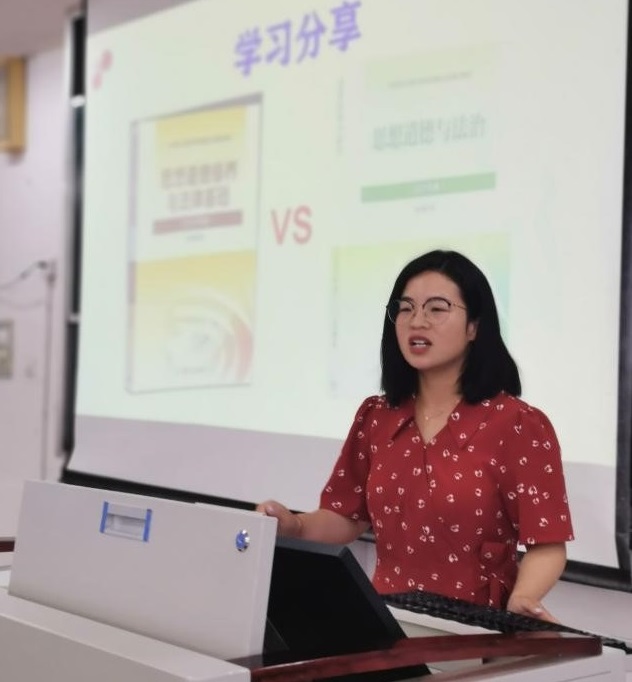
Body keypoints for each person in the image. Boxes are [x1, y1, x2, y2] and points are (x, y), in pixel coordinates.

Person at [259, 250, 574, 621]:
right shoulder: (376, 416)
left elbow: (547, 543)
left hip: (477, 631)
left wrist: (522, 599)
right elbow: (345, 517)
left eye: (437, 309)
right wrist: (295, 526)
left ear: (474, 327)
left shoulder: (518, 424)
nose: (417, 321)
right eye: (405, 309)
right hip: (386, 622)